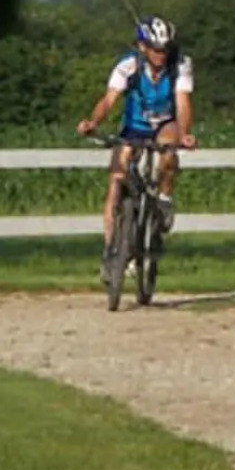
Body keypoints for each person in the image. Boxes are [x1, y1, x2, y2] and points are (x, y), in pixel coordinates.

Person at [76, 16, 196, 280]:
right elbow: (109, 99)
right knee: (116, 182)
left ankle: (164, 201)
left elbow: (183, 103)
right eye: (155, 49)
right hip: (134, 127)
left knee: (168, 153)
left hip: (165, 124)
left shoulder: (180, 65)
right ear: (143, 47)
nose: (161, 54)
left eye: (165, 49)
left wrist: (185, 134)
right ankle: (111, 250)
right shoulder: (128, 65)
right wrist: (93, 122)